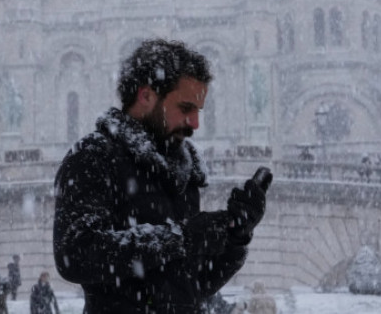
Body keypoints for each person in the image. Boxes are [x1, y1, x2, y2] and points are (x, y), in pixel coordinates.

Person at [53, 38, 267, 314]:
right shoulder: (93, 157)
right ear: (146, 96)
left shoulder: (182, 170)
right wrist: (181, 238)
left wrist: (237, 237)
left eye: (198, 112)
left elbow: (193, 286)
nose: (195, 123)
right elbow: (75, 256)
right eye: (186, 108)